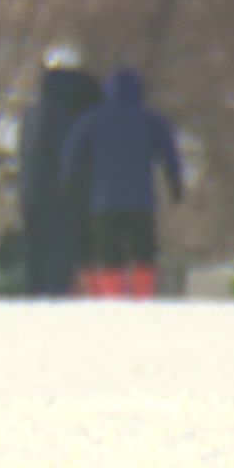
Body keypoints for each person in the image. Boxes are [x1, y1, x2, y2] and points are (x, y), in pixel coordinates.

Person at [60, 67, 183, 299]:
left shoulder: (92, 119)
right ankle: (141, 296)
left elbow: (72, 151)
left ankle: (113, 298)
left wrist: (68, 182)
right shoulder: (151, 120)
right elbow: (170, 154)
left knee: (108, 255)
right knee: (143, 255)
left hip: (104, 203)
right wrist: (175, 185)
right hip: (141, 202)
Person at [17, 44, 102, 297]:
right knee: (60, 263)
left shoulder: (32, 111)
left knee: (36, 262)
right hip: (64, 196)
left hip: (31, 192)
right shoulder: (77, 108)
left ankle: (35, 312)